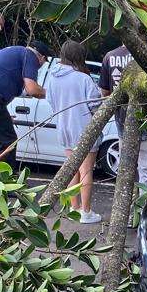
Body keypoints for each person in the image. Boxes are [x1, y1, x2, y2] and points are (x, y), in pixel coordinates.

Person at [45, 40, 103, 224]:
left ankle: (74, 207)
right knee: (86, 170)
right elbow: (95, 103)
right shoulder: (83, 78)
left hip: (64, 128)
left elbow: (51, 102)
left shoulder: (52, 78)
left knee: (71, 170)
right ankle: (86, 212)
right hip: (84, 128)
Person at [99, 43, 147, 185]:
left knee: (125, 170)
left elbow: (105, 92)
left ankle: (125, 202)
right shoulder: (146, 54)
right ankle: (143, 205)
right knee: (145, 169)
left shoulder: (110, 56)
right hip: (146, 117)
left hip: (122, 119)